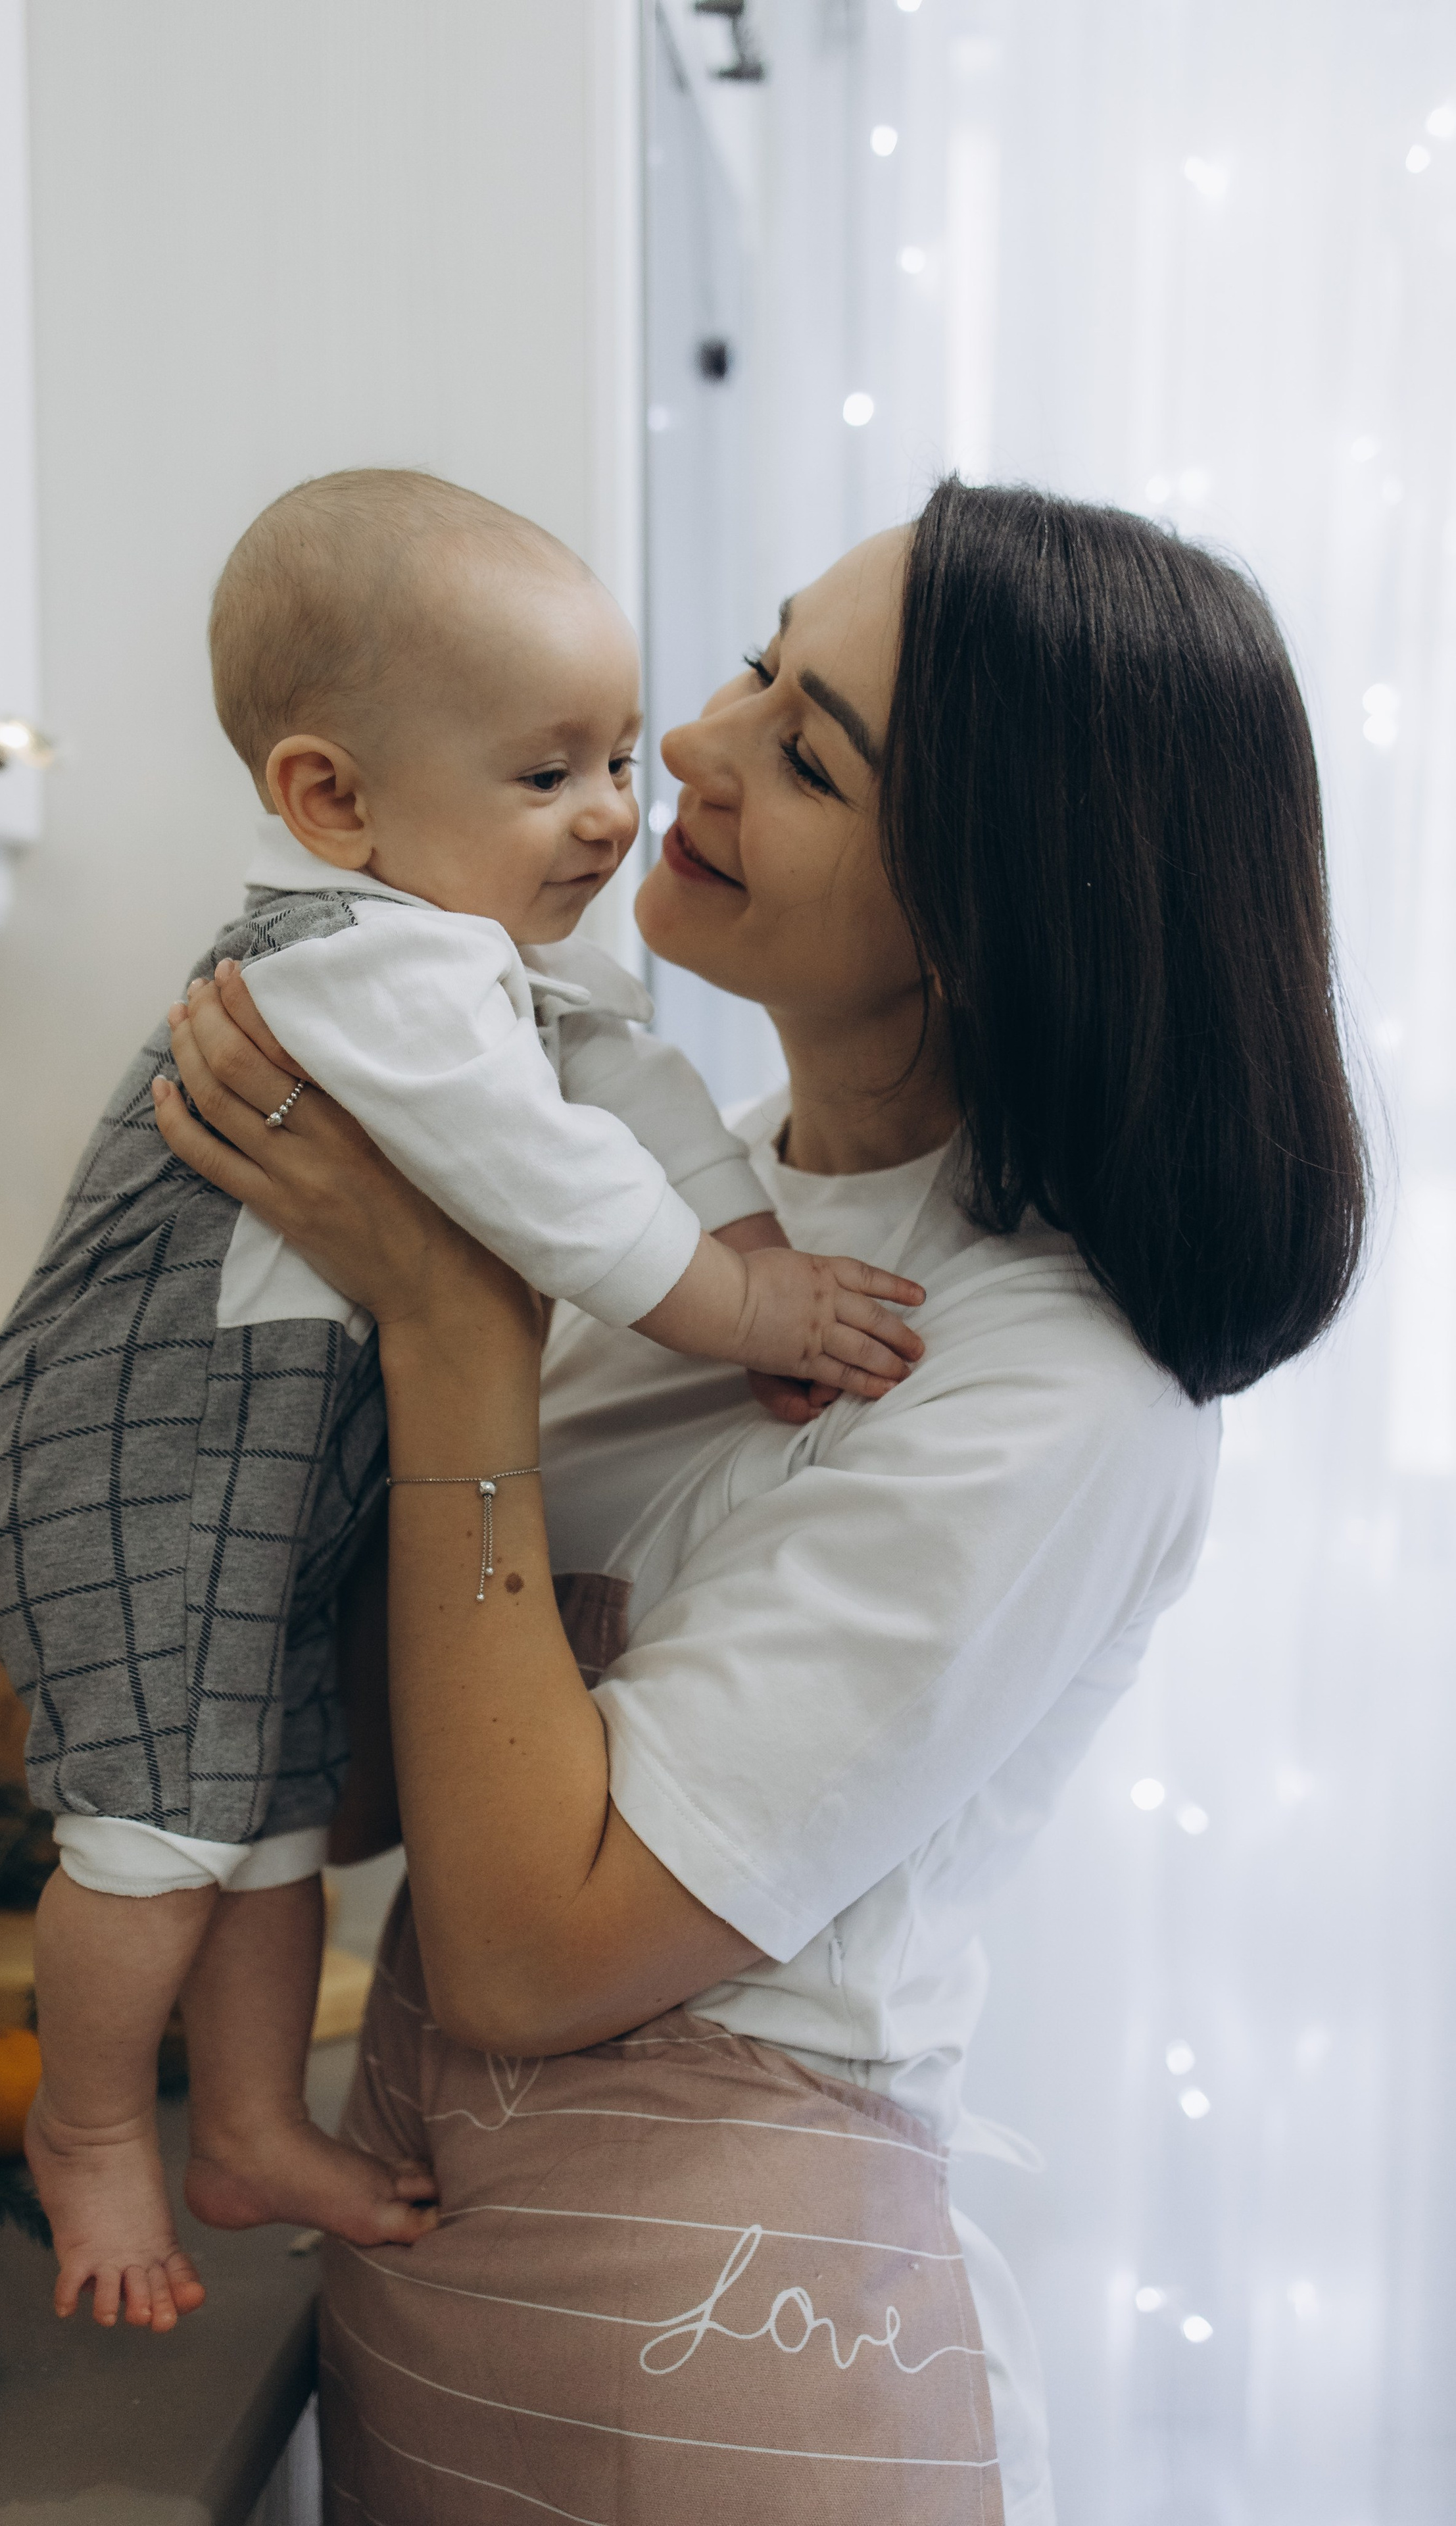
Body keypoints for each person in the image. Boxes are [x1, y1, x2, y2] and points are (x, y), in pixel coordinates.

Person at [156, 476, 1369, 2525]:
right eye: (757, 658)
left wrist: (452, 1330)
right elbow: (357, 1792)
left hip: (749, 2392)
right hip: (441, 2321)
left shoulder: (1052, 1386)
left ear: (994, 921)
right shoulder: (669, 1200)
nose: (686, 754)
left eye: (806, 753)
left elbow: (535, 1954)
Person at [0, 470, 921, 2335]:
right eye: (551, 774)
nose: (621, 811)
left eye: (619, 755)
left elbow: (624, 1100)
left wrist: (750, 1266)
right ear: (334, 801)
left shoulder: (493, 973)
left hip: (267, 1472)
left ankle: (244, 2122)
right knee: (157, 1836)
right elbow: (547, 1191)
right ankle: (92, 2131)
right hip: (130, 1470)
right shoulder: (366, 966)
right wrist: (748, 1301)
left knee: (273, 1821)